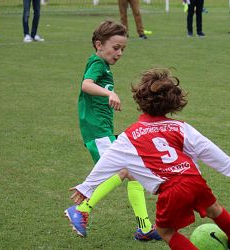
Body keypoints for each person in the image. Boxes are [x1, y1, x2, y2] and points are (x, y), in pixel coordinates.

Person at [65, 68, 230, 250]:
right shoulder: (180, 127)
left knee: (166, 232)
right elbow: (208, 149)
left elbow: (107, 162)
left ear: (140, 99)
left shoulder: (129, 136)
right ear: (173, 102)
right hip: (194, 179)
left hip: (172, 189)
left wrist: (87, 187)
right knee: (215, 210)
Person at [64, 20, 161, 241]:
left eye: (123, 49)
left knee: (134, 173)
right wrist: (110, 94)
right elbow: (86, 85)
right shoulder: (98, 63)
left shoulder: (102, 65)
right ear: (99, 45)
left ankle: (144, 228)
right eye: (115, 47)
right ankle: (81, 210)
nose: (119, 53)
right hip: (97, 133)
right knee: (125, 170)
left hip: (103, 131)